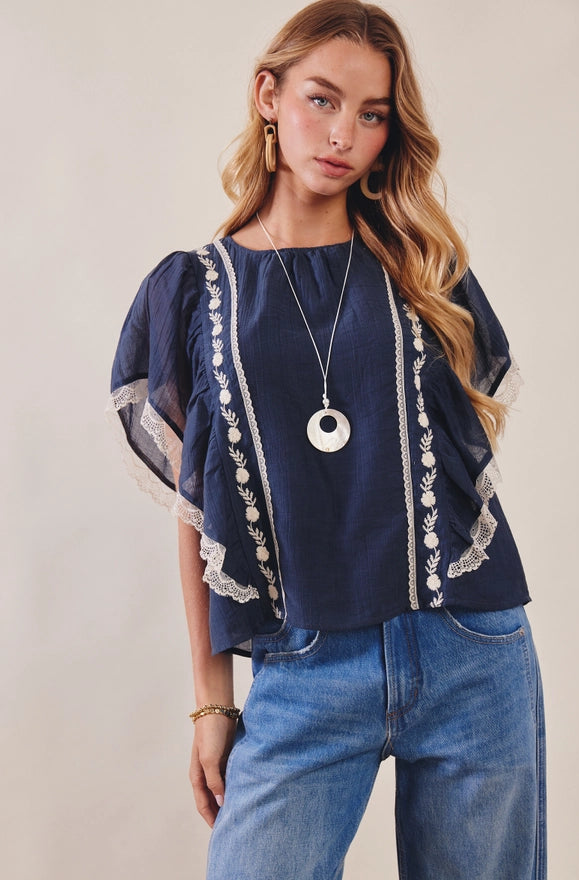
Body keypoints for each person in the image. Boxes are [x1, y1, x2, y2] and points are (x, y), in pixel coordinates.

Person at [109, 1, 545, 877]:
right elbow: (198, 512)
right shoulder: (193, 292)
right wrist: (211, 705)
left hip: (471, 651)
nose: (342, 132)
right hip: (305, 667)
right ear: (268, 95)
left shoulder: (423, 268)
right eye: (321, 99)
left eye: (372, 113)